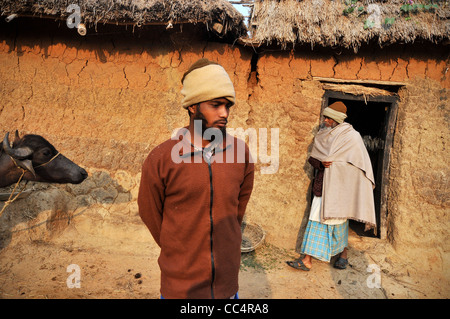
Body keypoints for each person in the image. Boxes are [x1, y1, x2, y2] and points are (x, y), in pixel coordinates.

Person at [138, 58, 254, 299]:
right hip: (180, 289)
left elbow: (237, 211)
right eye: (215, 105)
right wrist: (179, 249)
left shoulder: (240, 152)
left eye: (228, 106)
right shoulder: (162, 158)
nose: (224, 113)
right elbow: (151, 213)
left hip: (226, 286)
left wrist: (224, 242)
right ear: (193, 107)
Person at [287, 101, 376, 271]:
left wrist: (339, 166)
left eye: (328, 118)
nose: (325, 120)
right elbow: (313, 158)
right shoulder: (322, 135)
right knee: (316, 218)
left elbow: (359, 164)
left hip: (341, 187)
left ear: (336, 119)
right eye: (325, 117)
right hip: (323, 186)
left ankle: (343, 255)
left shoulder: (352, 137)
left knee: (340, 220)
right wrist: (322, 163)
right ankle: (307, 260)